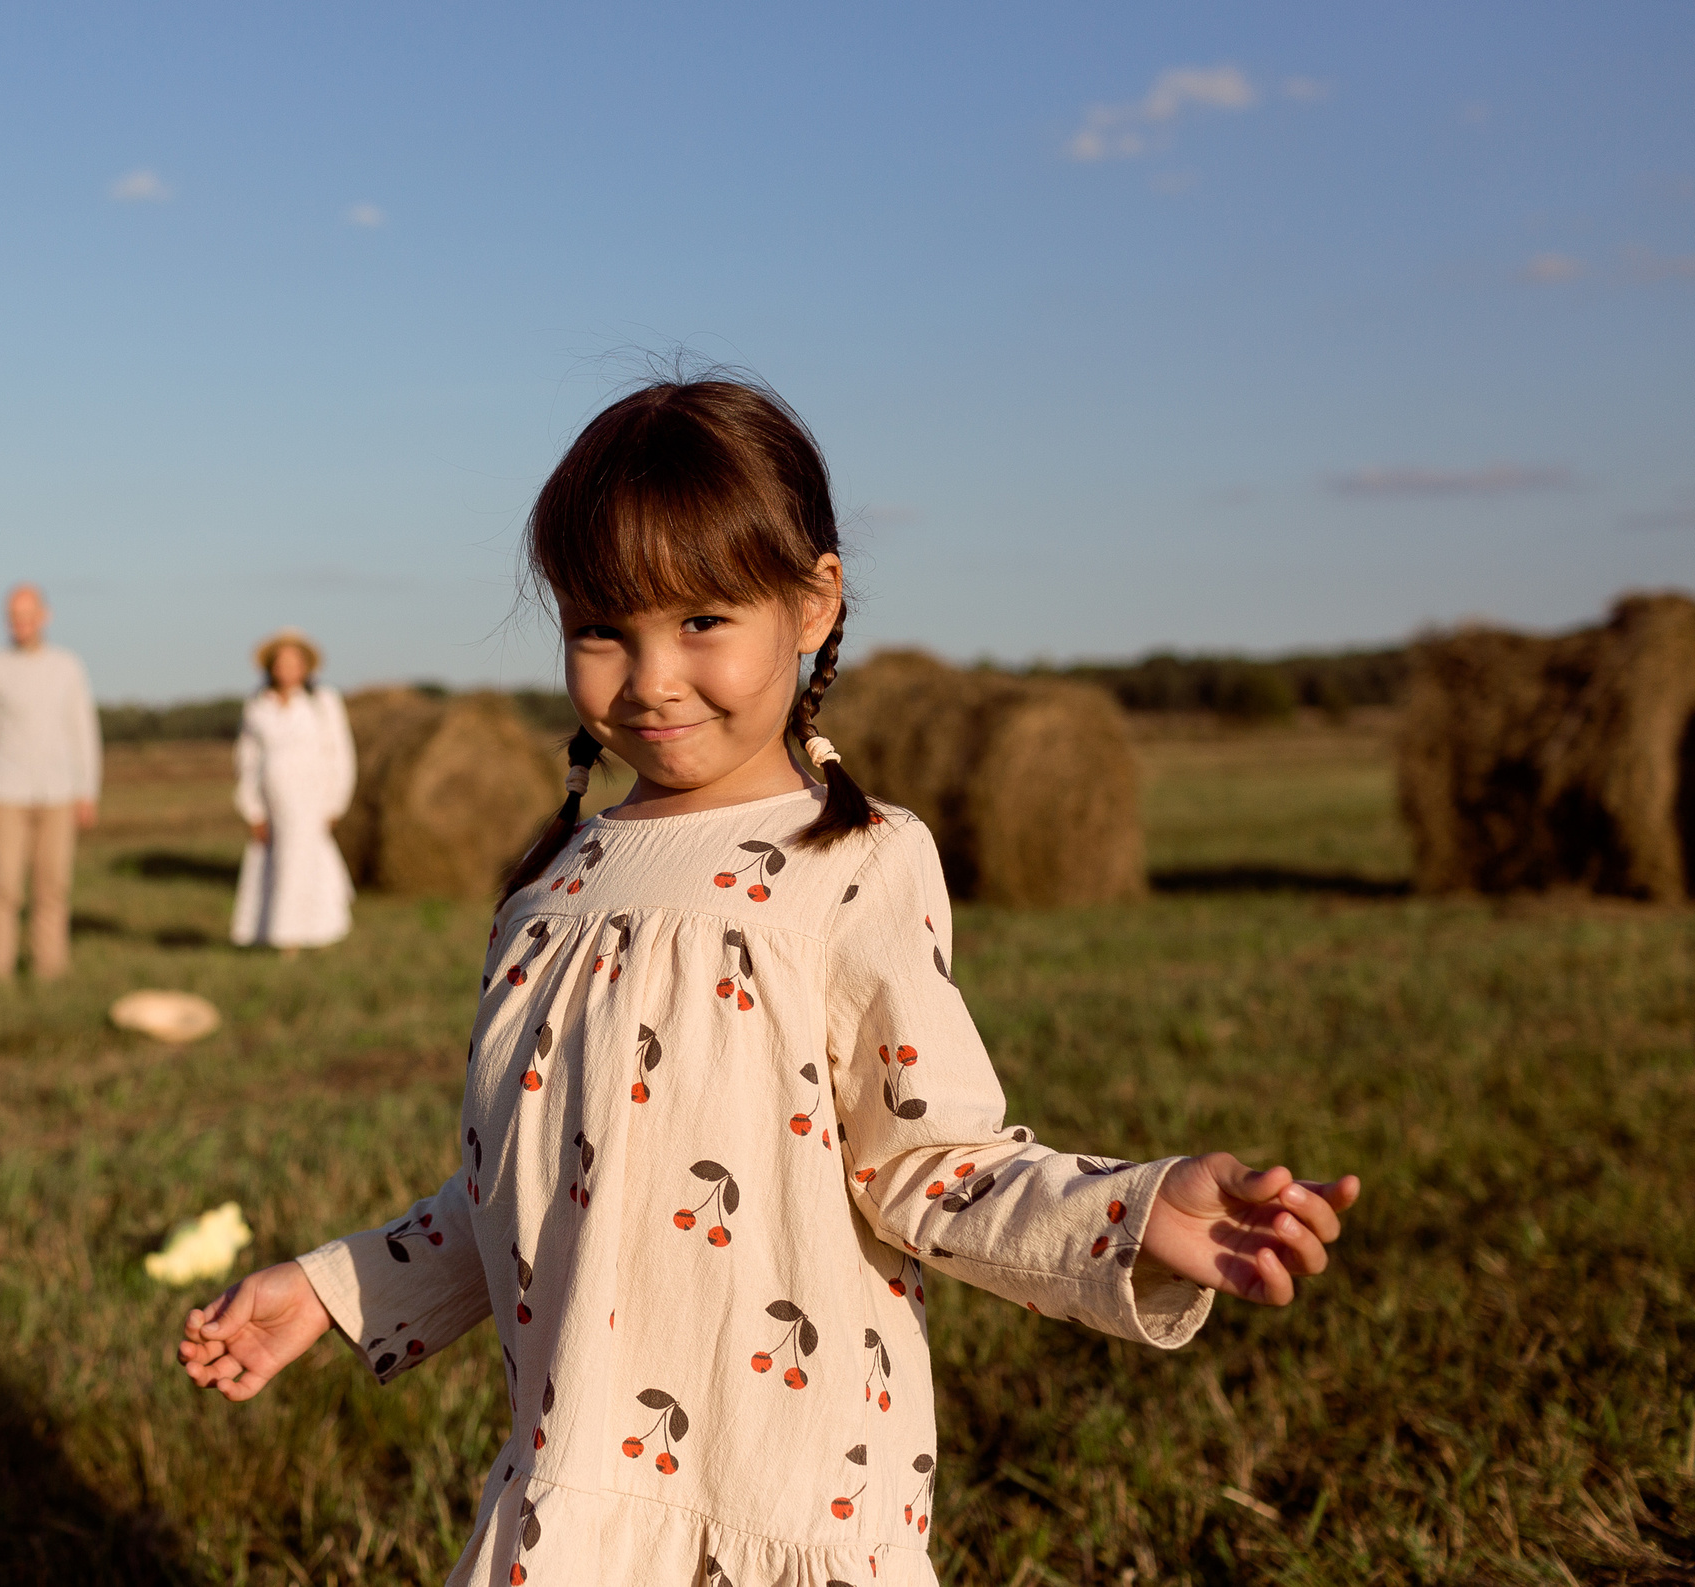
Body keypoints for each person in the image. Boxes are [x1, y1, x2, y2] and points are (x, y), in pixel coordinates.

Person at [176, 379, 1361, 1586]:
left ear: (812, 602)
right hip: (574, 1499)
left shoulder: (854, 865)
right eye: (602, 629)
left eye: (702, 620)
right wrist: (330, 1290)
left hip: (785, 1490)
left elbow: (929, 1166)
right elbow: (525, 1191)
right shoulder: (548, 889)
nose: (651, 678)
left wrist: (1130, 1215)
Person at [0, 583, 100, 980]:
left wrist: (87, 790)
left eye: (27, 616)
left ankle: (50, 971)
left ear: (44, 617)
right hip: (6, 794)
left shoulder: (68, 666)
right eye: (13, 617)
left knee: (53, 887)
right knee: (3, 887)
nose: (20, 624)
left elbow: (82, 729)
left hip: (60, 794)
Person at [230, 629, 357, 952]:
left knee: (306, 860)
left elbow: (339, 753)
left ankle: (306, 935)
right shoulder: (258, 705)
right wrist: (252, 807)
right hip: (272, 798)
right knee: (272, 862)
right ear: (271, 666)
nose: (286, 668)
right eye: (281, 662)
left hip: (311, 796)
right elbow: (247, 760)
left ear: (305, 666)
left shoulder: (322, 701)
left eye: (293, 661)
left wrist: (335, 802)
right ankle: (273, 931)